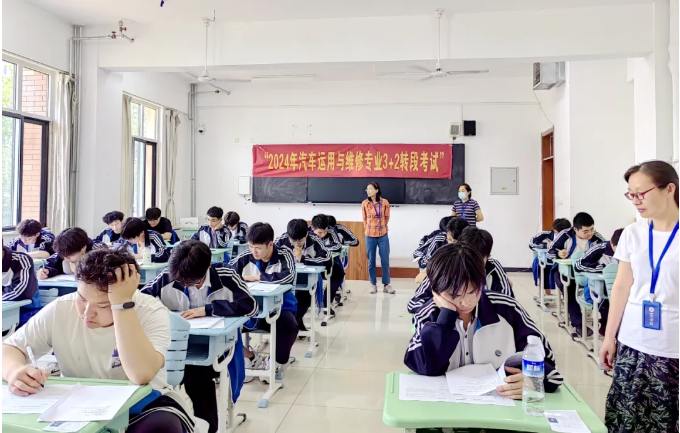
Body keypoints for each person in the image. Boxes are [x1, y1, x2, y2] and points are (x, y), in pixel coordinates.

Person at [3, 248, 195, 433]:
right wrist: (14, 371)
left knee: (161, 427)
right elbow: (9, 348)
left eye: (103, 306)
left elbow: (141, 375)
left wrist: (122, 305)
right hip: (80, 405)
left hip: (144, 405)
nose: (87, 313)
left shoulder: (151, 311)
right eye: (82, 299)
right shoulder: (61, 308)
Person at [404, 243, 563, 398]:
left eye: (473, 291)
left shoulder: (507, 308)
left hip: (502, 407)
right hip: (446, 408)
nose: (466, 302)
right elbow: (423, 366)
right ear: (435, 290)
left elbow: (550, 368)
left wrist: (533, 381)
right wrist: (445, 319)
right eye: (454, 295)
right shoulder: (429, 315)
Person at [142, 240, 256, 433]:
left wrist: (208, 309)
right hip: (177, 346)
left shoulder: (226, 274)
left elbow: (251, 306)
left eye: (194, 281)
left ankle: (208, 426)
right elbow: (141, 301)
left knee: (197, 376)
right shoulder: (168, 276)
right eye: (183, 283)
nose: (189, 286)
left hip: (218, 346)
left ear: (208, 266)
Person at [600, 160, 679, 433]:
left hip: (672, 349)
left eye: (641, 193)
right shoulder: (633, 233)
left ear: (669, 189)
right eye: (630, 194)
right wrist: (609, 337)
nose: (635, 201)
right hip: (633, 343)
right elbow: (621, 286)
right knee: (626, 419)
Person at [228, 223, 298, 378]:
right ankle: (250, 357)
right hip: (250, 308)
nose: (253, 251)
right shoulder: (248, 254)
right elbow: (227, 271)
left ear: (270, 244)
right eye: (251, 246)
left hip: (281, 307)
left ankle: (276, 362)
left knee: (290, 326)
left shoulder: (284, 253)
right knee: (227, 327)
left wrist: (259, 277)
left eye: (258, 248)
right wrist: (241, 279)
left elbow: (289, 276)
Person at [547, 212, 606, 335]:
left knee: (603, 288)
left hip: (587, 273)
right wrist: (558, 253)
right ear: (575, 229)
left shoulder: (596, 237)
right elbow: (550, 252)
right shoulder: (565, 235)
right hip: (564, 271)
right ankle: (578, 324)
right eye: (585, 231)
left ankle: (605, 324)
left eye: (592, 229)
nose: (590, 233)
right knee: (570, 289)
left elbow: (607, 249)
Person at [275, 219, 331, 330]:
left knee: (304, 297)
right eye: (293, 240)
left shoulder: (314, 239)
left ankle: (294, 323)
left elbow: (327, 259)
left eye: (300, 240)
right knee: (285, 299)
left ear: (306, 234)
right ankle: (294, 324)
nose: (297, 243)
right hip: (286, 278)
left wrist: (303, 258)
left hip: (307, 278)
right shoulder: (281, 241)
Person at [574, 228, 623, 334]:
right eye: (619, 250)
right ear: (612, 243)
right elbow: (578, 265)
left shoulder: (630, 251)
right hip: (597, 289)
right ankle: (606, 328)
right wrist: (600, 268)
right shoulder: (600, 248)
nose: (622, 254)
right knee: (606, 302)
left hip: (618, 289)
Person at [414, 217, 468, 284]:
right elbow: (429, 262)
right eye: (449, 239)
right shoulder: (439, 241)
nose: (451, 243)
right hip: (428, 262)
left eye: (455, 241)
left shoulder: (469, 243)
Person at [361, 182, 393, 294]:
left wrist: (381, 227)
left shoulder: (385, 202)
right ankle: (373, 284)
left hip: (383, 234)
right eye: (367, 189)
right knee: (371, 261)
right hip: (370, 235)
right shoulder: (365, 203)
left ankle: (386, 285)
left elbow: (387, 217)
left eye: (370, 189)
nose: (368, 191)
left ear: (377, 190)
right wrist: (369, 229)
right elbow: (364, 219)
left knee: (385, 260)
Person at [38, 228, 103, 279]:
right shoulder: (65, 251)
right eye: (63, 256)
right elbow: (50, 264)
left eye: (69, 256)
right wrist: (46, 271)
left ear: (83, 248)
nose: (66, 259)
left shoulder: (99, 251)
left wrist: (81, 270)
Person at [529, 218, 572, 294]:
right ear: (554, 230)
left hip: (560, 260)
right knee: (546, 267)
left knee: (565, 271)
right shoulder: (545, 234)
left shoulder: (569, 237)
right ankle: (547, 292)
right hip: (544, 259)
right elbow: (531, 244)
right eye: (560, 232)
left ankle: (565, 294)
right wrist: (545, 245)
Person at [311, 214, 346, 308]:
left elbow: (338, 246)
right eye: (319, 232)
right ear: (312, 228)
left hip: (327, 261)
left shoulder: (331, 231)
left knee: (339, 274)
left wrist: (321, 249)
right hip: (310, 263)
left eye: (324, 232)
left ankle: (325, 303)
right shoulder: (307, 232)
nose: (322, 235)